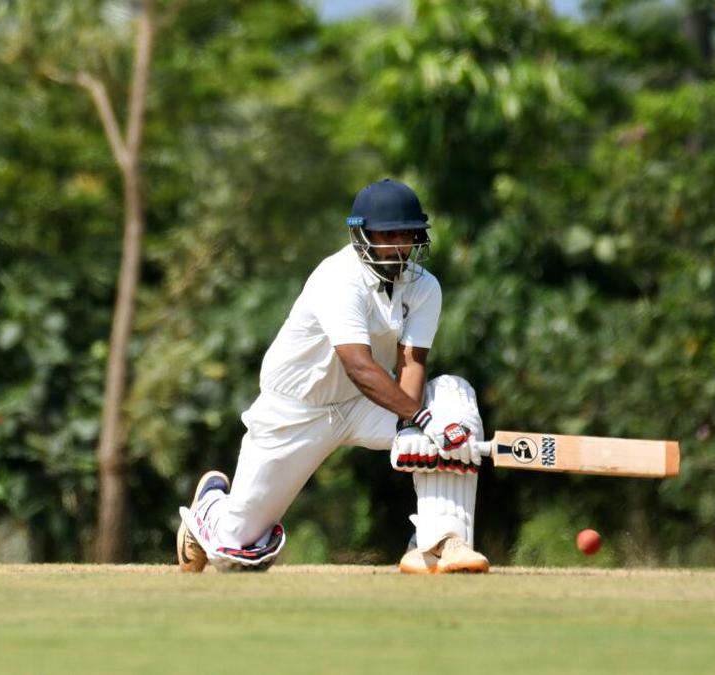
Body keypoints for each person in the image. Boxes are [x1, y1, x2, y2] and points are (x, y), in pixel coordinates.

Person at [176, 178, 490, 574]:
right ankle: (212, 508)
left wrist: (423, 429)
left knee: (454, 402)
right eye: (386, 234)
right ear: (361, 234)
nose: (398, 244)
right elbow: (359, 367)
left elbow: (411, 363)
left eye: (406, 233)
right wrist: (421, 420)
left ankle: (441, 542)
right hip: (297, 409)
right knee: (234, 556)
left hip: (365, 406)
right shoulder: (338, 277)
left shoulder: (424, 287)